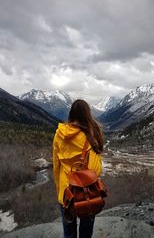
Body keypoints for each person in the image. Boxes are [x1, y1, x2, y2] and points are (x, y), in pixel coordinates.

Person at [53, 99, 104, 238]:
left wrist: (60, 192)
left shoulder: (59, 134)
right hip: (87, 193)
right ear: (87, 115)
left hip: (66, 193)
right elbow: (95, 170)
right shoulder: (90, 136)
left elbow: (56, 165)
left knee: (69, 233)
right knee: (86, 233)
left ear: (71, 115)